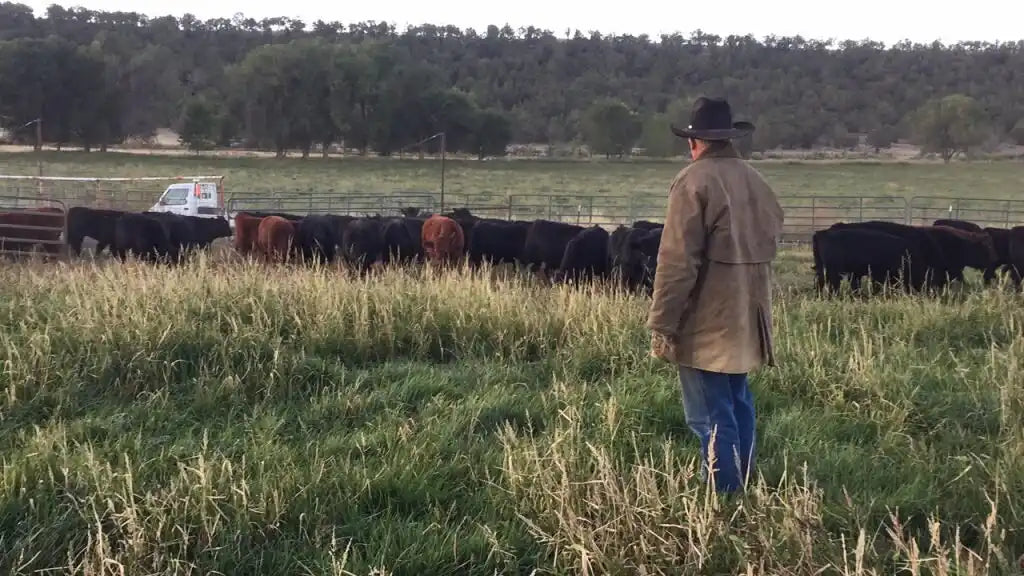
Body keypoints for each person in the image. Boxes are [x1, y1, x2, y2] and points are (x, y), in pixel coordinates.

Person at [647, 96, 784, 494]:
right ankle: (741, 479)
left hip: (707, 317)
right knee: (737, 401)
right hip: (749, 313)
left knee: (709, 413)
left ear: (695, 142)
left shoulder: (693, 182)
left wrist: (663, 324)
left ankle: (723, 496)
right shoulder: (757, 180)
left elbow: (676, 262)